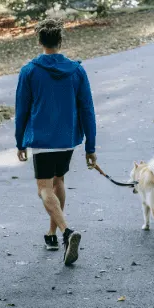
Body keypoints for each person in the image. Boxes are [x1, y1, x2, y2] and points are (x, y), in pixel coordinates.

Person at [15, 19, 97, 266]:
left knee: (44, 188)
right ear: (60, 40)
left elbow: (22, 110)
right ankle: (51, 235)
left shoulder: (29, 70)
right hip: (67, 138)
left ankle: (66, 232)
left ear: (39, 41)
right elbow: (87, 109)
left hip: (42, 138)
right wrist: (90, 146)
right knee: (58, 181)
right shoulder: (77, 70)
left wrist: (20, 142)